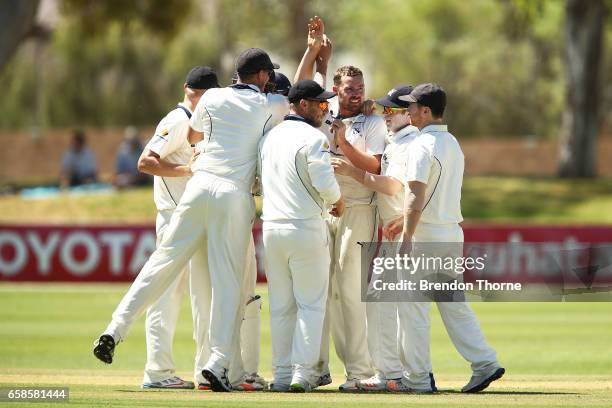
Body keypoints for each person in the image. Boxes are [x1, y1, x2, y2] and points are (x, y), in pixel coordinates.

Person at [93, 48, 286, 393]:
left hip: (197, 187)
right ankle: (216, 363)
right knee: (227, 284)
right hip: (232, 195)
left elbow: (195, 137)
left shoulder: (211, 96)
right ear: (260, 76)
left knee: (161, 263)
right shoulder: (271, 105)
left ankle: (114, 329)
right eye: (268, 74)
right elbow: (291, 100)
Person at [385, 83, 505, 393]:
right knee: (454, 305)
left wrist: (408, 236)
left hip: (425, 237)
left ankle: (417, 379)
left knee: (412, 309)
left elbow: (415, 194)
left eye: (411, 106)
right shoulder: (452, 142)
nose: (408, 111)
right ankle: (485, 363)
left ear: (425, 111)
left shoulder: (421, 146)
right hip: (450, 233)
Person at [295, 16, 387, 391]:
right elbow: (301, 85)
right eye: (349, 88)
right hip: (324, 208)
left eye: (360, 88)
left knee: (350, 288)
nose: (355, 93)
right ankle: (319, 368)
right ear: (335, 88)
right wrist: (314, 51)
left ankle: (361, 372)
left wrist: (347, 149)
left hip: (359, 209)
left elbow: (376, 164)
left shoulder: (373, 122)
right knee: (324, 288)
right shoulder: (324, 110)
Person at [331, 85, 422, 392]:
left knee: (389, 305)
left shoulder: (407, 142)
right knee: (395, 306)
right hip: (396, 229)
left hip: (402, 235)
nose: (385, 114)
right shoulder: (403, 138)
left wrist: (353, 172)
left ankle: (393, 375)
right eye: (383, 109)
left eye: (391, 110)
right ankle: (404, 374)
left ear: (408, 113)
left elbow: (394, 187)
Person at [135, 66, 218, 390]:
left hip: (193, 218)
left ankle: (204, 370)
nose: (201, 99)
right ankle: (157, 371)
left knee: (202, 296)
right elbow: (146, 161)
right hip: (173, 218)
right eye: (198, 93)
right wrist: (186, 170)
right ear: (187, 90)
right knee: (166, 295)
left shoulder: (200, 122)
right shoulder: (178, 119)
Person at [259, 80, 344, 392]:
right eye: (320, 104)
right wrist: (338, 200)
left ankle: (282, 375)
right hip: (305, 228)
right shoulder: (313, 137)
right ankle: (302, 374)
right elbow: (324, 179)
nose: (325, 109)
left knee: (281, 305)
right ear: (303, 105)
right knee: (311, 305)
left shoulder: (268, 138)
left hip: (272, 228)